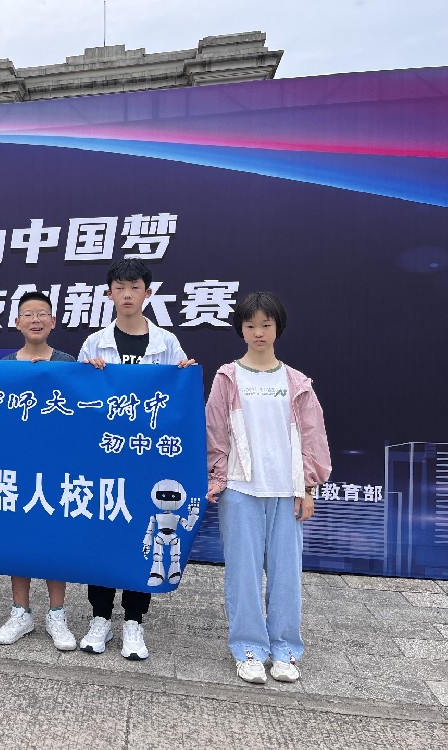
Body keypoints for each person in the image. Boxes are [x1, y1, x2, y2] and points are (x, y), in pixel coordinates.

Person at [205, 291, 330, 685]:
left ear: (278, 328)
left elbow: (312, 436)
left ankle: (285, 650)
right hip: (240, 489)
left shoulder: (296, 382)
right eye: (250, 325)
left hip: (285, 490)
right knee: (242, 574)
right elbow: (215, 432)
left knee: (286, 574)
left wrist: (307, 487)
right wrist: (217, 478)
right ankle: (248, 649)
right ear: (240, 330)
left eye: (266, 324)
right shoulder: (228, 377)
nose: (258, 332)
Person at [77, 259, 195, 660]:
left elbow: (179, 401)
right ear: (109, 293)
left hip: (147, 458)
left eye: (135, 287)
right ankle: (100, 618)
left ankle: (133, 620)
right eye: (119, 288)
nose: (127, 295)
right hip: (105, 457)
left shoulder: (167, 343)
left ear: (148, 292)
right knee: (102, 533)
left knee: (139, 538)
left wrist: (184, 372)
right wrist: (86, 374)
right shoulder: (95, 343)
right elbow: (79, 404)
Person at [0, 291, 78, 651]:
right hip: (17, 469)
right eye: (28, 314)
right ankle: (20, 613)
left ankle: (57, 615)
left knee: (55, 540)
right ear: (17, 323)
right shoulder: (5, 366)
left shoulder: (68, 363)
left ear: (53, 322)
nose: (35, 320)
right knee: (19, 540)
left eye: (42, 313)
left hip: (57, 468)